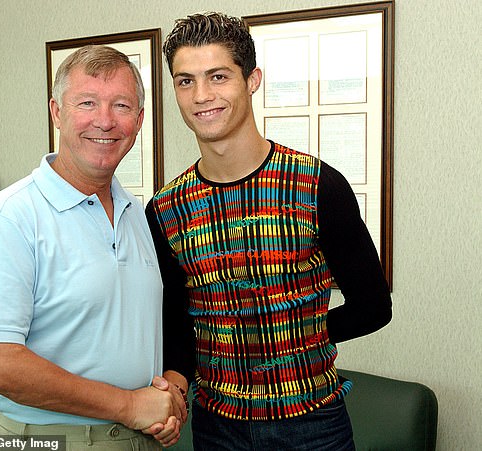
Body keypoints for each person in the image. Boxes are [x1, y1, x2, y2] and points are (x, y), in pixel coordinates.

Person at [146, 12, 392, 451]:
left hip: (313, 423)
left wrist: (288, 335)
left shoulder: (317, 185)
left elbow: (373, 307)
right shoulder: (165, 209)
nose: (202, 95)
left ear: (252, 79)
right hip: (215, 425)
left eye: (217, 76)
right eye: (185, 81)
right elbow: (178, 324)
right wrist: (175, 388)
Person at [0, 45, 186, 450]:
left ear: (139, 120)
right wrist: (129, 405)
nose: (105, 120)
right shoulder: (10, 217)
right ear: (57, 113)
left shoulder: (138, 213)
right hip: (48, 439)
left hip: (140, 438)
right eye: (87, 102)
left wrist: (169, 398)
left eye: (121, 105)